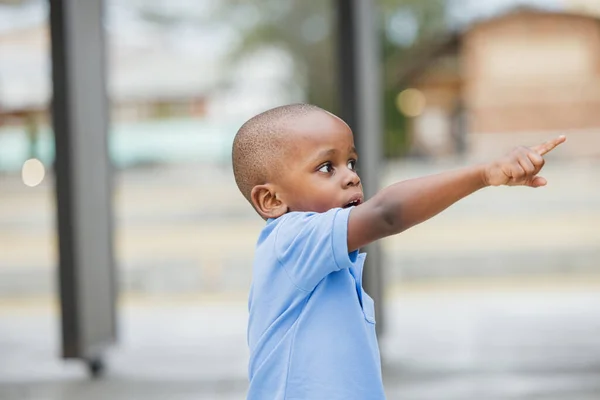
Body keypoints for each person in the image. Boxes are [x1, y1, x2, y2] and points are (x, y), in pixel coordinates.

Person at [232, 103, 565, 399]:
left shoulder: (322, 257)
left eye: (350, 161)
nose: (350, 176)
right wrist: (483, 173)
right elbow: (386, 213)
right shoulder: (291, 240)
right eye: (325, 167)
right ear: (272, 201)